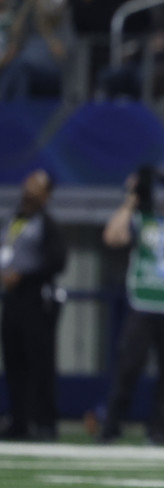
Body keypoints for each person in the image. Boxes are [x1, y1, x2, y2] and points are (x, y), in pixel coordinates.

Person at [99, 166, 164, 444]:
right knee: (127, 367)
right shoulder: (143, 220)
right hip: (142, 305)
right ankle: (112, 425)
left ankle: (161, 429)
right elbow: (112, 236)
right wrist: (131, 199)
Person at [0, 170, 66, 441]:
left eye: (36, 188)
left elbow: (57, 262)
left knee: (39, 361)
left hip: (36, 299)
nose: (29, 191)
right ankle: (19, 421)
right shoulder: (13, 220)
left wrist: (24, 276)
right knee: (13, 360)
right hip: (12, 300)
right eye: (27, 185)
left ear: (46, 195)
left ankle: (45, 422)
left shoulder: (48, 224)